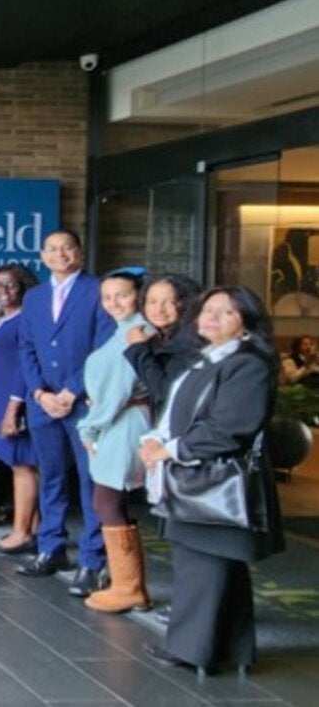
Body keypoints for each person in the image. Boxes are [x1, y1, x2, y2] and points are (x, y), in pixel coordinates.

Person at [139, 286, 284, 677]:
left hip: (216, 482)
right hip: (194, 476)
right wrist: (156, 440)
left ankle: (191, 650)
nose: (213, 317)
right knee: (220, 569)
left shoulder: (247, 364)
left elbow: (230, 428)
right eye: (209, 310)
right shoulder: (208, 359)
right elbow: (178, 413)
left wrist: (168, 451)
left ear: (247, 323)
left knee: (202, 567)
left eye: (227, 312)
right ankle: (233, 649)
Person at [15, 230, 116, 598]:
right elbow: (26, 347)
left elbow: (102, 348)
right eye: (52, 249)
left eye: (67, 248)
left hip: (83, 403)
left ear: (80, 252)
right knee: (52, 478)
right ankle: (51, 547)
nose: (60, 254)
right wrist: (40, 393)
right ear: (43, 257)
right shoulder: (35, 296)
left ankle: (92, 561)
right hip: (43, 404)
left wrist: (73, 390)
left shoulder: (97, 290)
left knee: (91, 484)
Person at [76, 271, 154, 613]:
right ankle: (128, 583)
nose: (114, 303)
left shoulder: (136, 333)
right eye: (107, 297)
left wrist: (88, 428)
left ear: (138, 295)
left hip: (122, 424)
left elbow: (116, 394)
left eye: (121, 295)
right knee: (112, 503)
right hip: (115, 422)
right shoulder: (121, 330)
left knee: (107, 500)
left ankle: (129, 587)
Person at [0, 264, 41, 555]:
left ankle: (21, 532)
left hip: (15, 406)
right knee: (20, 465)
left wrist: (12, 410)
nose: (3, 291)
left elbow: (23, 368)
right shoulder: (4, 320)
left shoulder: (25, 321)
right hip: (1, 403)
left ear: (24, 287)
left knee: (23, 466)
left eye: (11, 285)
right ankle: (34, 528)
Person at [124, 274, 204, 417]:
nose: (159, 309)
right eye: (152, 302)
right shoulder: (159, 337)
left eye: (169, 302)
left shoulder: (192, 341)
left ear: (186, 303)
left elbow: (166, 392)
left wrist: (138, 349)